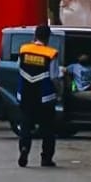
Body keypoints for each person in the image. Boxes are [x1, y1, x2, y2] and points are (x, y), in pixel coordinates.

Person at [16, 23, 61, 168]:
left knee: (25, 125)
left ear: (34, 35)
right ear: (48, 37)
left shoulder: (24, 50)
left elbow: (19, 68)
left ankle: (24, 149)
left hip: (25, 94)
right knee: (48, 129)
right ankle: (46, 158)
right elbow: (54, 77)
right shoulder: (51, 53)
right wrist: (59, 91)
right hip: (44, 97)